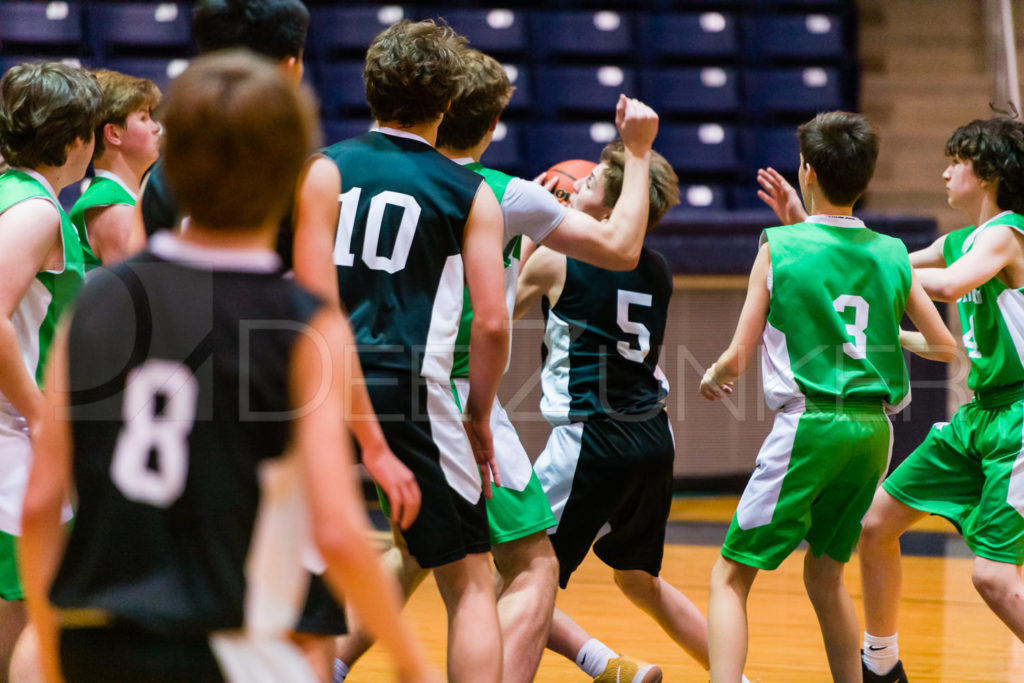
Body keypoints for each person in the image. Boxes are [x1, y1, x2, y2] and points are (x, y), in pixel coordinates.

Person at [19, 50, 437, 683]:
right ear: (288, 173)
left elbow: (42, 504)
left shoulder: (99, 299)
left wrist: (50, 637)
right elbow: (339, 530)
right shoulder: (302, 321)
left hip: (97, 637)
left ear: (175, 163)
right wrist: (412, 660)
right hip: (226, 639)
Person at [332, 48, 661, 683]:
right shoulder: (492, 192)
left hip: (332, 378)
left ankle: (332, 660)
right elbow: (621, 248)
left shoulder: (333, 170)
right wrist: (639, 153)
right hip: (440, 393)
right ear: (482, 121)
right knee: (527, 562)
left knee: (417, 548)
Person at [699, 111, 955, 683]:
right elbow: (944, 348)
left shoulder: (779, 244)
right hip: (873, 433)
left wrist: (713, 376)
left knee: (730, 576)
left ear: (806, 170)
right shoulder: (891, 251)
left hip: (811, 424)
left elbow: (738, 355)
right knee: (826, 574)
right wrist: (890, 337)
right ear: (865, 177)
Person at [292, 19, 509, 683]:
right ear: (449, 103)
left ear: (369, 92)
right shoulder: (469, 191)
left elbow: (296, 290)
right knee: (470, 578)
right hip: (411, 384)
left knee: (297, 569)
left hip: (318, 383)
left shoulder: (322, 168)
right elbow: (494, 323)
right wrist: (478, 416)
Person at [513, 142, 713, 683]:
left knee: (514, 576)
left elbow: (492, 308)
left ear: (614, 207)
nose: (580, 180)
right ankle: (734, 675)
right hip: (652, 437)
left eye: (594, 180)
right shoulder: (659, 269)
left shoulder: (558, 259)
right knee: (639, 581)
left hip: (590, 440)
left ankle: (601, 663)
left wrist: (531, 227)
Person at [850, 116, 1024, 683]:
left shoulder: (1008, 232)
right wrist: (814, 235)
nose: (946, 171)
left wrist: (879, 281)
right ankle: (880, 664)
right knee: (876, 525)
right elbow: (892, 259)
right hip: (979, 417)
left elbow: (946, 286)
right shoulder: (959, 240)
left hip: (1019, 419)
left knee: (994, 580)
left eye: (957, 161)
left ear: (990, 171)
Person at [0, 60, 102, 681]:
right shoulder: (35, 211)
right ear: (75, 139)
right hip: (14, 443)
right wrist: (39, 417)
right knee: (30, 619)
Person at [69, 69, 161, 269]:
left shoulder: (114, 197)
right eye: (143, 118)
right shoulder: (115, 209)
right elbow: (132, 297)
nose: (156, 127)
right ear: (114, 133)